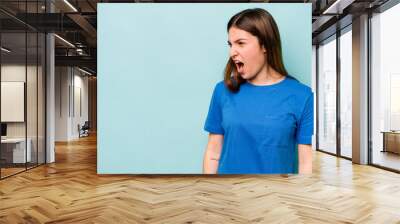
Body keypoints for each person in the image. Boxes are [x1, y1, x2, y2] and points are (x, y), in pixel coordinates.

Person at [202, 8, 313, 174]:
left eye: (240, 43)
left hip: (276, 197)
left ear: (265, 45)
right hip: (229, 196)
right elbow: (213, 154)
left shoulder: (302, 96)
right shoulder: (222, 91)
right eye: (230, 44)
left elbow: (305, 164)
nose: (232, 52)